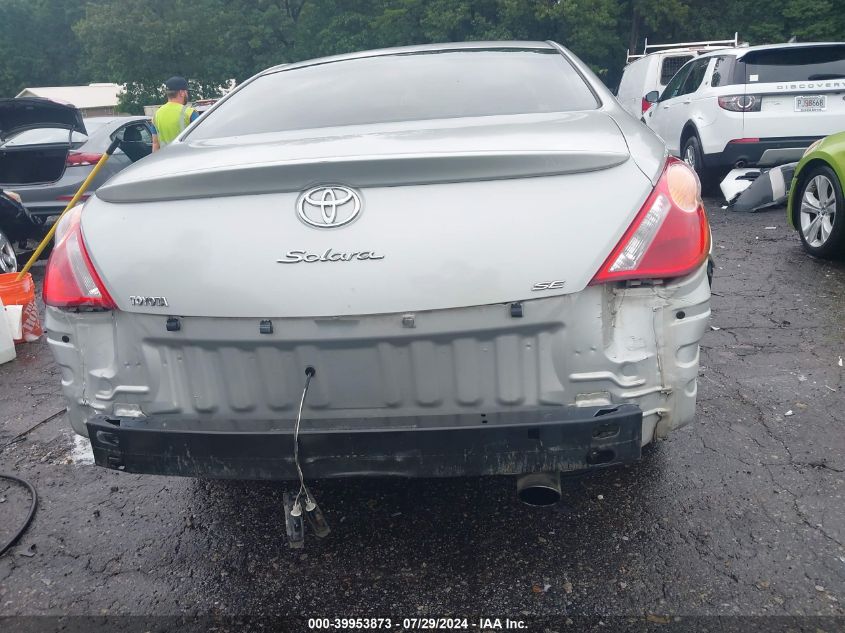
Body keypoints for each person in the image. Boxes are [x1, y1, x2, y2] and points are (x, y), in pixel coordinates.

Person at [151, 76, 200, 151]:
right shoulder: (190, 113)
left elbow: (155, 143)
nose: (187, 94)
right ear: (182, 93)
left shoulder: (156, 114)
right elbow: (199, 139)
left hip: (166, 159)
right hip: (186, 157)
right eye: (186, 92)